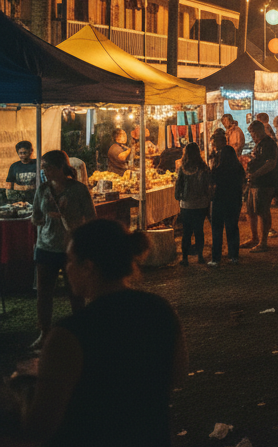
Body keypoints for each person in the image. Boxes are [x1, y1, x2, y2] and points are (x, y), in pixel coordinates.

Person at [20, 219, 187, 446]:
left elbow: (39, 428)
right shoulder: (161, 310)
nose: (66, 269)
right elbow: (177, 374)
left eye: (70, 261)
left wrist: (27, 393)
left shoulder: (69, 334)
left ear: (88, 267)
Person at [30, 150, 96, 349]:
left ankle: (81, 332)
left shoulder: (78, 190)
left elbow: (91, 217)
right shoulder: (42, 190)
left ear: (61, 167)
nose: (45, 172)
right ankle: (44, 332)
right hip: (46, 247)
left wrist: (76, 229)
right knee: (44, 294)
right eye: (43, 168)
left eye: (48, 167)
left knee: (75, 293)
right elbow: (35, 217)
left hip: (71, 249)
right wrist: (46, 217)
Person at [243, 120, 278, 253]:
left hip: (265, 182)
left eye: (252, 133)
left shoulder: (268, 144)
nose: (252, 136)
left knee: (262, 211)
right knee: (251, 211)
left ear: (258, 131)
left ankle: (263, 242)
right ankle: (254, 238)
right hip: (254, 182)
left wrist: (256, 174)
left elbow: (271, 163)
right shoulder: (258, 145)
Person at [174, 143, 212, 267]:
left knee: (187, 232)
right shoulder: (203, 167)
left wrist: (178, 196)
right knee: (199, 230)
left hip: (186, 204)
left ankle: (185, 258)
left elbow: (178, 185)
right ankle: (200, 256)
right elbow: (208, 184)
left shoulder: (183, 168)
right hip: (201, 203)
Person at [210, 135, 245, 266]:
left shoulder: (218, 170)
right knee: (232, 227)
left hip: (219, 200)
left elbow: (212, 181)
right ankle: (233, 255)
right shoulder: (238, 169)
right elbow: (242, 182)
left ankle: (216, 258)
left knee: (217, 229)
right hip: (234, 200)